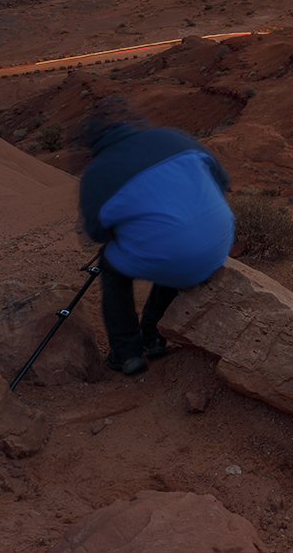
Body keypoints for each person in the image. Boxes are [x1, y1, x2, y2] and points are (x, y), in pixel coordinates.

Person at [77, 96, 234, 376]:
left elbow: (96, 233)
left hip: (177, 255)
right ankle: (154, 334)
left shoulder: (97, 172)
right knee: (171, 248)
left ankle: (127, 353)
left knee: (112, 266)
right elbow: (222, 180)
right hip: (219, 243)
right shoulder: (172, 136)